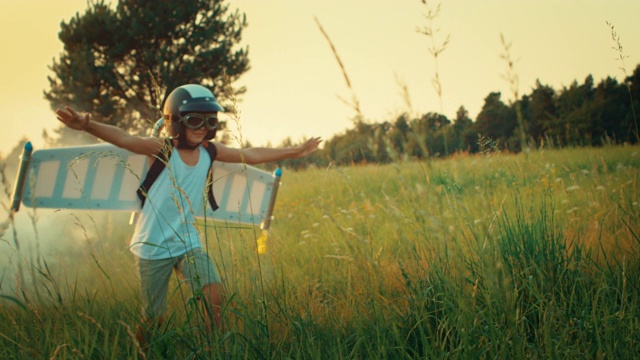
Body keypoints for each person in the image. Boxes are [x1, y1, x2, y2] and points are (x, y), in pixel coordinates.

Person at [55, 84, 321, 349]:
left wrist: (294, 151)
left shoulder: (210, 151)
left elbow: (249, 155)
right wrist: (86, 125)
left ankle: (212, 348)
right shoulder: (162, 148)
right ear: (176, 122)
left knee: (214, 295)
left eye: (209, 121)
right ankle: (140, 351)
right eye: (194, 120)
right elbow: (125, 139)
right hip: (153, 247)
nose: (202, 127)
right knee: (155, 318)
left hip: (188, 242)